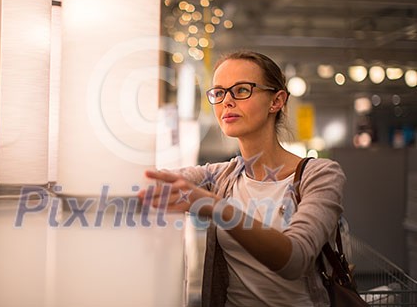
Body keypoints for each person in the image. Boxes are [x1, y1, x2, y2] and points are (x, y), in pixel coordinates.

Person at [138, 50, 346, 307]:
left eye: (241, 90)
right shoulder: (221, 176)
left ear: (277, 101)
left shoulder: (320, 175)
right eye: (219, 92)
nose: (227, 101)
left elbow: (295, 259)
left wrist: (218, 208)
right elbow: (157, 183)